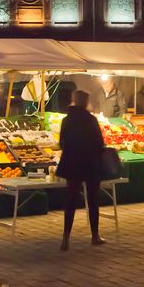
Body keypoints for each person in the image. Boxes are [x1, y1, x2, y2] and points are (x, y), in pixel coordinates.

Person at [56, 90, 105, 251]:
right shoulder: (91, 120)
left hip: (72, 164)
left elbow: (61, 143)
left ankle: (66, 237)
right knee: (92, 200)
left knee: (70, 201)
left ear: (73, 101)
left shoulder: (66, 121)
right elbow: (99, 143)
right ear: (85, 103)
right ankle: (95, 235)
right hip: (90, 165)